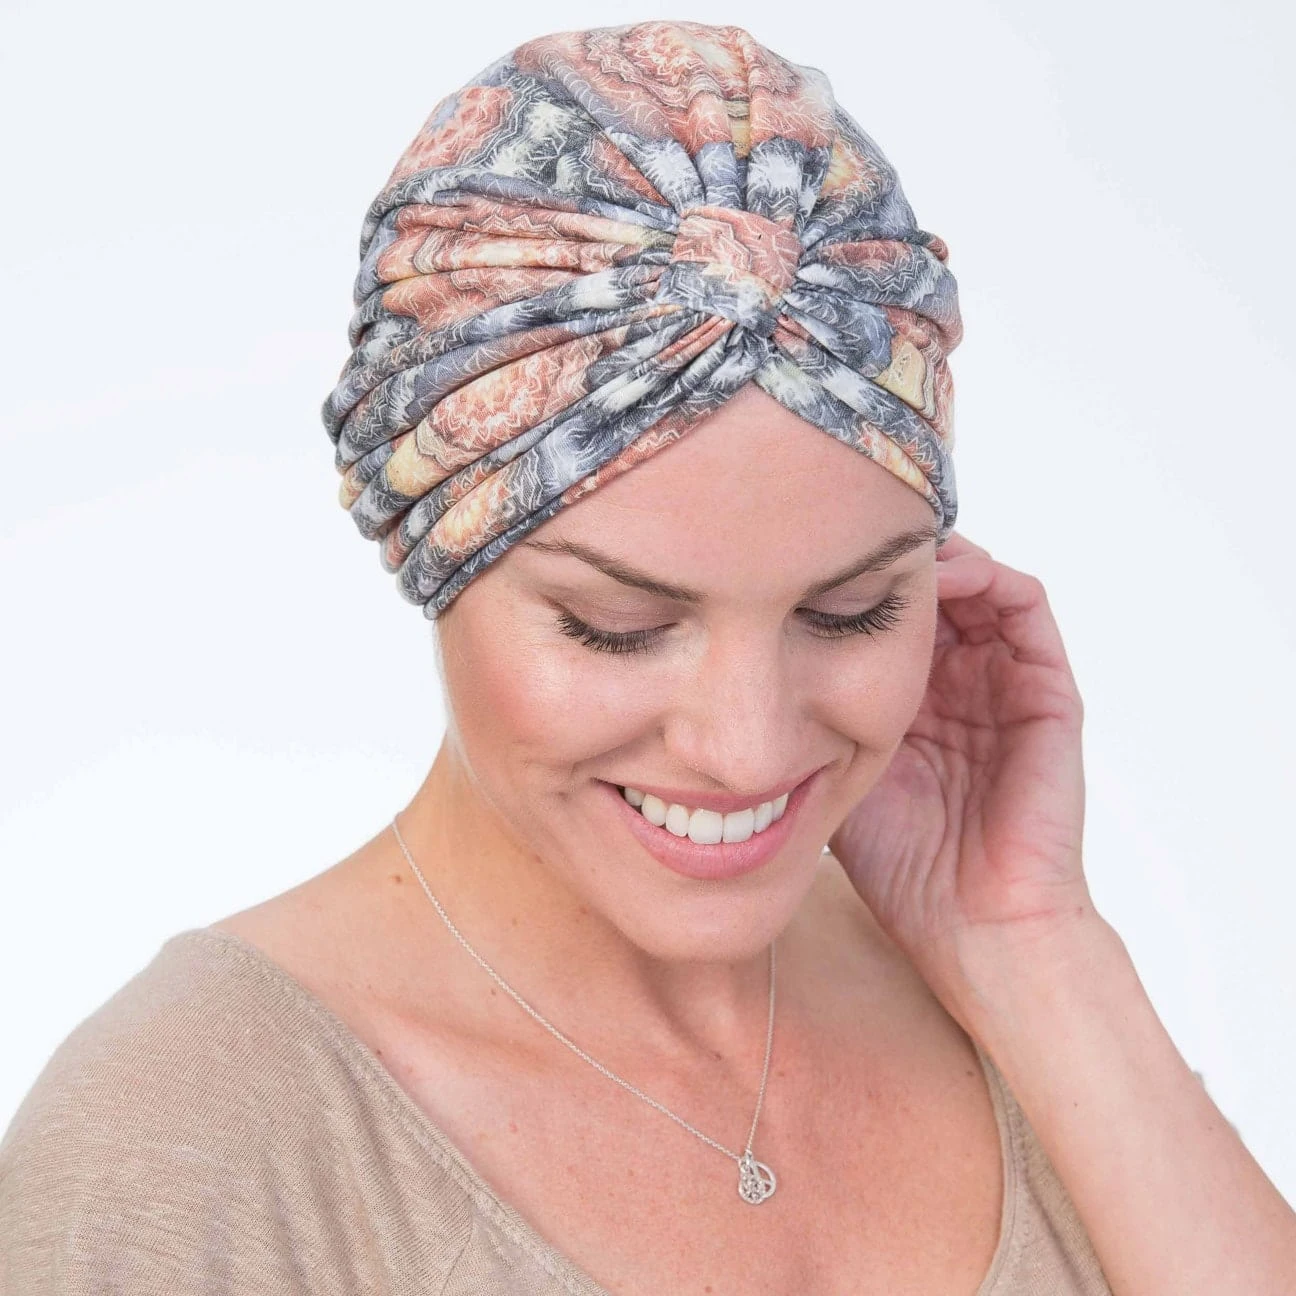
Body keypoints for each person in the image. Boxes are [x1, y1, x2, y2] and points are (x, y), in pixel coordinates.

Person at [2, 18, 1293, 1296]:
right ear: (431, 551)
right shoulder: (182, 1147)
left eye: (850, 612)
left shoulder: (1003, 1006)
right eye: (616, 625)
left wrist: (1033, 945)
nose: (745, 745)